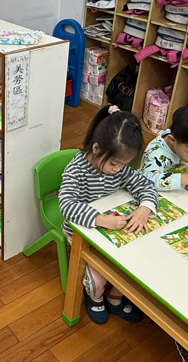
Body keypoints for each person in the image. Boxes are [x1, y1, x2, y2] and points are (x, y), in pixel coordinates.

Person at [58, 104, 158, 324]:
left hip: (113, 228)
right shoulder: (76, 169)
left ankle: (115, 297)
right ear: (96, 148)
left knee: (132, 263)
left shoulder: (119, 168)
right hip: (81, 230)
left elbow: (144, 185)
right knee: (100, 274)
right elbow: (66, 204)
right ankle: (94, 297)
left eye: (124, 164)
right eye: (114, 163)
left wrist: (145, 208)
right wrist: (99, 219)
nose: (118, 169)